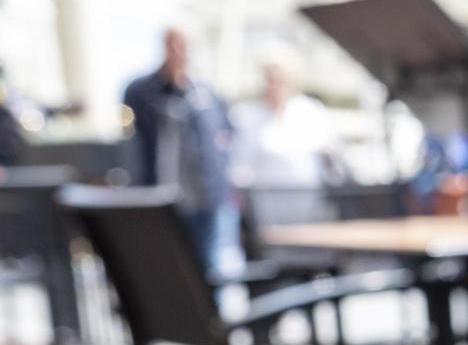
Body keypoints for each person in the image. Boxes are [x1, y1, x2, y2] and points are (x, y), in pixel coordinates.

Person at [122, 26, 234, 272]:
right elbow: (131, 142)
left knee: (215, 267)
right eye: (173, 45)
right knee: (172, 269)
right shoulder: (141, 91)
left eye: (184, 45)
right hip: (163, 198)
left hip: (208, 197)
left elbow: (225, 138)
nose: (179, 52)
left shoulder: (206, 92)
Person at [230, 46, 335, 190]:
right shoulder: (250, 116)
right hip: (265, 198)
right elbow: (240, 166)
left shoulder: (311, 111)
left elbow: (327, 154)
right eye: (270, 80)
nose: (275, 86)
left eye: (281, 80)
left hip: (307, 196)